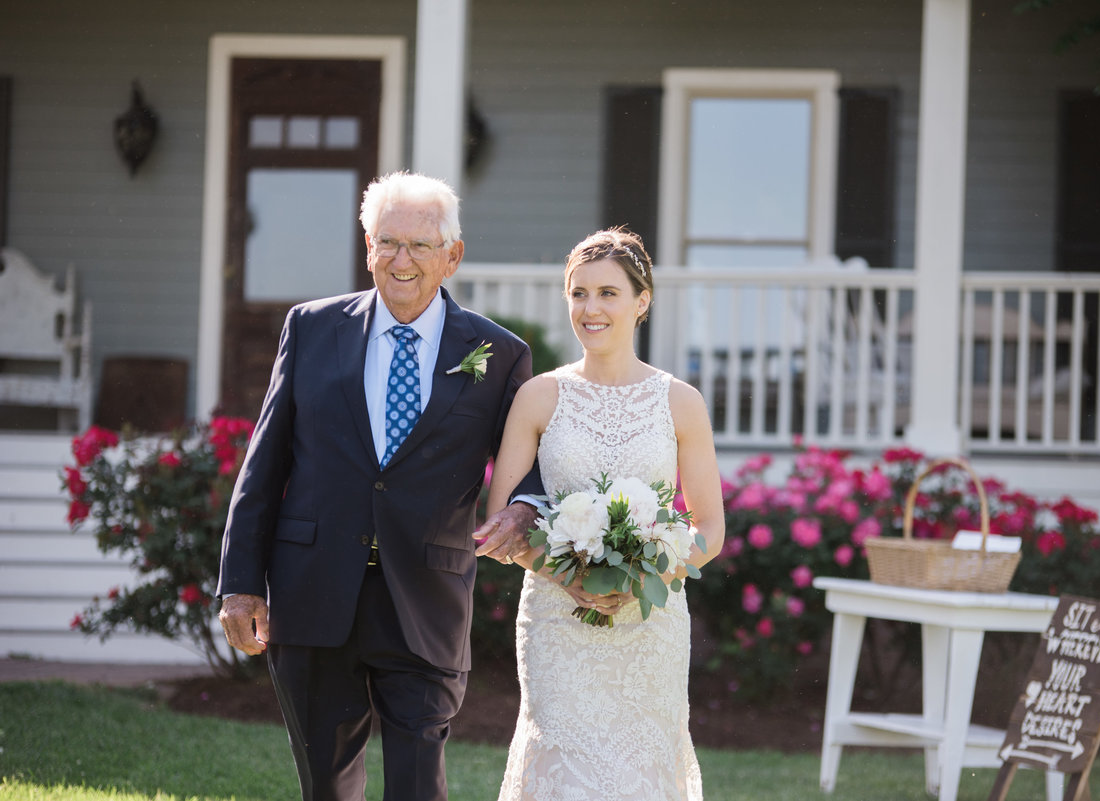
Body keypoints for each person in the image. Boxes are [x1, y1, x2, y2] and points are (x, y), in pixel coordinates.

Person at [217, 171, 539, 801]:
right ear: (367, 247)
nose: (401, 260)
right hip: (312, 593)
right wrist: (239, 583)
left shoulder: (499, 355)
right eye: (387, 242)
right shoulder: (310, 328)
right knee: (327, 789)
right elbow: (266, 464)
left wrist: (526, 507)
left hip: (425, 599)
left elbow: (529, 466)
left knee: (418, 787)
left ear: (453, 255)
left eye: (420, 246)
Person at [476, 228, 726, 800]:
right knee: (563, 768)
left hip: (650, 625)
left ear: (641, 302)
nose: (591, 308)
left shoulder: (680, 402)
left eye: (608, 293)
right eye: (579, 293)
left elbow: (709, 527)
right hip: (559, 622)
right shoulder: (538, 397)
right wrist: (572, 578)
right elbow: (501, 523)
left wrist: (650, 575)